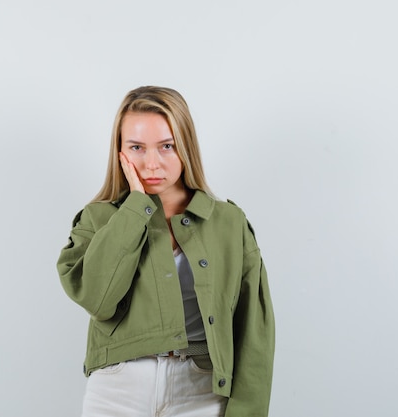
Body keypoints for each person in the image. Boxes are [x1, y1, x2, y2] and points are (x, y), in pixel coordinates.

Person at [57, 86, 275, 417]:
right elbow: (98, 300)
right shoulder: (98, 219)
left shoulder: (229, 223)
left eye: (167, 146)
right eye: (137, 147)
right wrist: (135, 208)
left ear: (185, 147)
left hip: (201, 390)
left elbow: (254, 333)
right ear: (120, 152)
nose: (152, 163)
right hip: (117, 390)